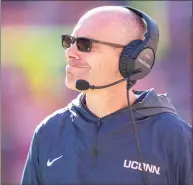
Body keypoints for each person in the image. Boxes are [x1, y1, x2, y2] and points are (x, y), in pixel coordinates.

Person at [21, 6, 192, 185]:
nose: (69, 53)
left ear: (132, 59)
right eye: (69, 41)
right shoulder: (48, 132)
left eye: (85, 44)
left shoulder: (175, 138)